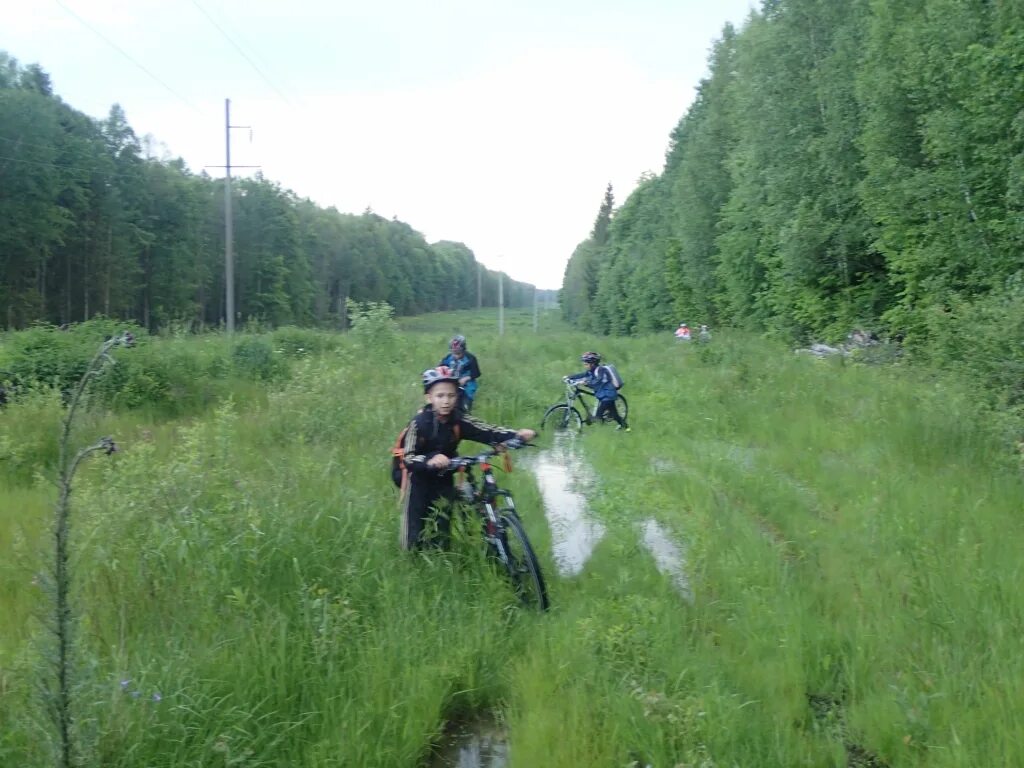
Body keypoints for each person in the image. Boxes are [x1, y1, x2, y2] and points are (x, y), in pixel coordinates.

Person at [398, 366, 536, 551]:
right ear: (429, 398)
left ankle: (441, 559)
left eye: (451, 396)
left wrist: (515, 435)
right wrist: (429, 461)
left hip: (445, 475)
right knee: (414, 532)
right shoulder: (419, 423)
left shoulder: (459, 420)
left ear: (457, 397)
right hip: (419, 479)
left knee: (442, 526)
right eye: (440, 396)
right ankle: (412, 562)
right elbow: (408, 457)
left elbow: (487, 431)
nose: (446, 401)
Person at [566, 352, 630, 432]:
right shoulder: (591, 371)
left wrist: (587, 383)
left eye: (586, 364)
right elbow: (582, 375)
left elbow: (598, 381)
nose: (585, 366)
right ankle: (626, 428)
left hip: (608, 395)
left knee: (598, 417)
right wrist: (569, 377)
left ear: (592, 364)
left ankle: (603, 432)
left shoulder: (601, 370)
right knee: (615, 415)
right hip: (603, 395)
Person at [439, 334, 482, 413]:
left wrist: (466, 378)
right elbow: (440, 368)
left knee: (465, 406)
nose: (456, 356)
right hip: (452, 383)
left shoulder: (470, 358)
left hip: (467, 385)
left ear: (463, 350)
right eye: (454, 354)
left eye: (459, 354)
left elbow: (477, 373)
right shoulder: (448, 358)